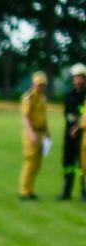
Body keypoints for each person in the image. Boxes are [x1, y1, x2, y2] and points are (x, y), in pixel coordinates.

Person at [19, 71, 49, 201]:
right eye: (39, 85)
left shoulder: (43, 98)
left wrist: (48, 132)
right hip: (31, 133)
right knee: (30, 162)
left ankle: (31, 190)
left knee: (37, 164)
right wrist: (30, 133)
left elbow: (43, 117)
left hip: (40, 133)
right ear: (34, 84)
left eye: (43, 85)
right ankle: (24, 191)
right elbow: (25, 118)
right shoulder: (28, 98)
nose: (41, 87)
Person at [60, 63, 84, 200]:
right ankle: (66, 191)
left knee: (82, 163)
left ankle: (83, 190)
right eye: (75, 78)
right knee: (67, 162)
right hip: (69, 134)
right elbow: (68, 114)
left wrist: (78, 125)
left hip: (83, 133)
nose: (77, 80)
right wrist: (74, 124)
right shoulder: (69, 95)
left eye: (80, 77)